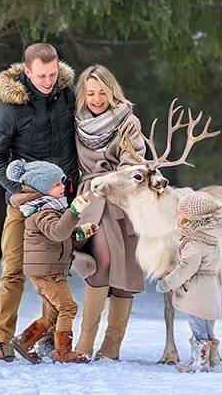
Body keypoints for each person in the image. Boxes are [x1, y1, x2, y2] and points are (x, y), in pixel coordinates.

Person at [0, 43, 78, 362]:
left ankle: (50, 336)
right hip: (23, 205)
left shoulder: (67, 95)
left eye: (53, 74)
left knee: (54, 271)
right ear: (26, 71)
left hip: (61, 201)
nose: (48, 80)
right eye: (41, 75)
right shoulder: (10, 107)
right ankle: (2, 342)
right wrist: (22, 190)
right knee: (12, 269)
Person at [71, 64, 147, 360]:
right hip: (91, 200)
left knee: (125, 270)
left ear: (112, 91)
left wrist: (122, 174)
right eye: (90, 92)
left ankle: (112, 345)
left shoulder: (128, 121)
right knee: (101, 262)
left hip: (121, 199)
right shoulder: (76, 123)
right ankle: (85, 342)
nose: (97, 98)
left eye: (102, 91)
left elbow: (135, 160)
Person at [6, 159, 95, 364]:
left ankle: (24, 341)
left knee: (54, 312)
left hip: (47, 270)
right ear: (42, 188)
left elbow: (60, 234)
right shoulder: (42, 212)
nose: (63, 187)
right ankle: (63, 352)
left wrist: (80, 232)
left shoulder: (47, 209)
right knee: (68, 308)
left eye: (62, 182)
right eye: (56, 184)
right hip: (47, 273)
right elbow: (57, 232)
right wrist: (74, 211)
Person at [154, 191, 222, 373]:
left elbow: (186, 269)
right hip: (209, 288)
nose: (177, 214)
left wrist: (167, 283)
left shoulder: (194, 243)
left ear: (191, 218)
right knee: (206, 325)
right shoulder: (209, 238)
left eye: (180, 212)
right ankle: (212, 358)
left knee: (198, 327)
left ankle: (199, 362)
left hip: (197, 292)